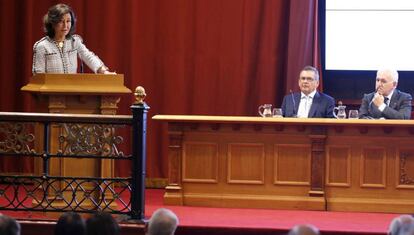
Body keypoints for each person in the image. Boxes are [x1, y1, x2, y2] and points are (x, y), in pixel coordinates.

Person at [32, 3, 114, 74]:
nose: (65, 26)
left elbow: (89, 57)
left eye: (68, 21)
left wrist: (104, 71)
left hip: (71, 91)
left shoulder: (75, 41)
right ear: (52, 23)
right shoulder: (42, 46)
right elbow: (38, 75)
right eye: (61, 21)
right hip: (50, 91)